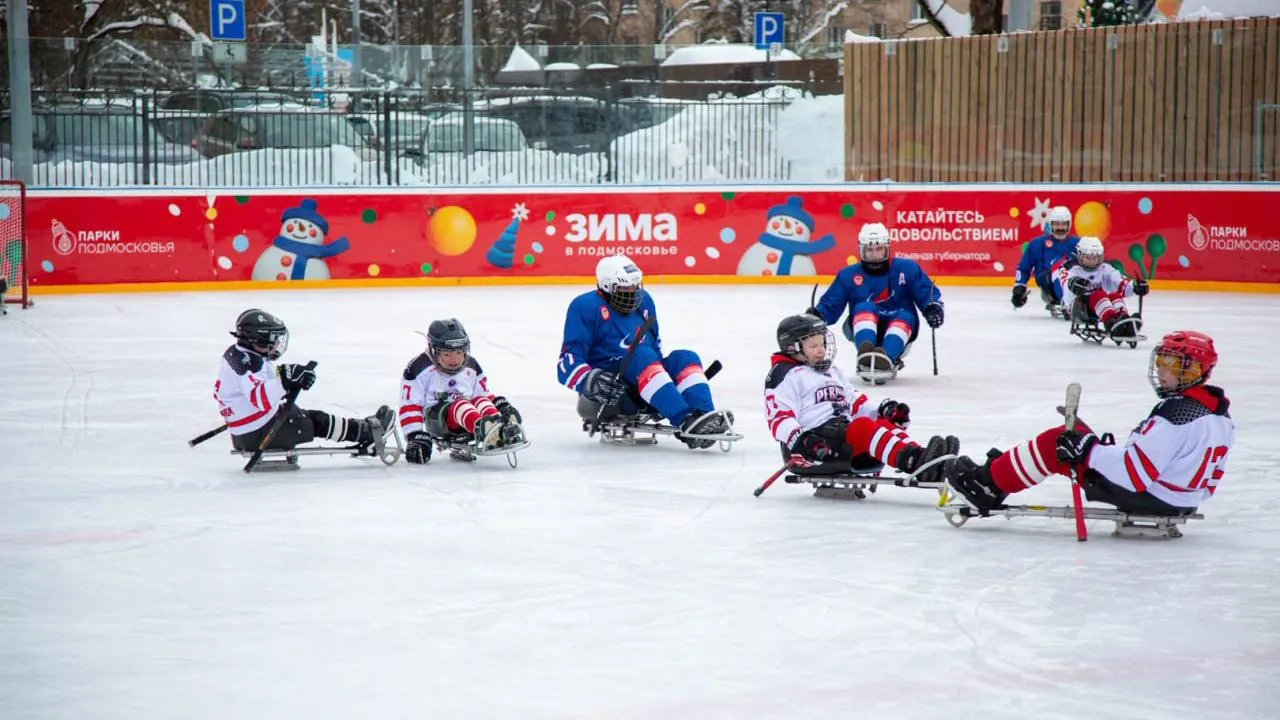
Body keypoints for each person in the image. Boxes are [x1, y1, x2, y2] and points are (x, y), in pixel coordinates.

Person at [944, 330, 1232, 516]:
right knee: (1077, 436)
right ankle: (997, 474)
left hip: (1150, 497)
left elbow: (1134, 474)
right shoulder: (1218, 414)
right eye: (1160, 361)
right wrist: (1090, 444)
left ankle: (986, 486)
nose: (1160, 370)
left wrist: (1089, 450)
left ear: (1193, 369)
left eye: (1171, 364)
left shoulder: (1176, 413)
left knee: (1057, 443)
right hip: (1181, 499)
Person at [558, 254, 733, 449]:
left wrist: (667, 382)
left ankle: (704, 417)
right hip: (614, 393)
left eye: (636, 286)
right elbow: (567, 361)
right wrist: (589, 380)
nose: (633, 293)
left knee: (685, 357)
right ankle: (685, 419)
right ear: (606, 287)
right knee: (643, 355)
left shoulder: (645, 301)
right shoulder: (584, 307)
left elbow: (655, 349)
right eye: (625, 289)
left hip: (643, 380)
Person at [765, 314, 958, 482]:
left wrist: (883, 411)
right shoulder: (784, 375)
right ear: (793, 347)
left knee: (881, 423)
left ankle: (925, 460)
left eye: (822, 343)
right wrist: (803, 440)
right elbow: (779, 418)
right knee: (862, 427)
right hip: (814, 448)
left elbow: (855, 402)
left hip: (843, 435)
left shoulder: (832, 371)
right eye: (813, 346)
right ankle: (914, 463)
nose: (821, 350)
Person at [214, 309, 392, 454]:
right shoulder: (248, 363)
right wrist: (285, 379)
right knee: (317, 421)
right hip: (259, 433)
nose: (277, 344)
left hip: (245, 432)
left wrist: (289, 374)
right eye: (273, 339)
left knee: (308, 416)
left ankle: (361, 430)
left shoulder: (238, 354)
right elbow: (259, 398)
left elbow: (264, 378)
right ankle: (367, 433)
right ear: (258, 339)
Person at [810, 222, 944, 375]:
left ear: (887, 248)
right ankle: (865, 354)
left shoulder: (907, 268)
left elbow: (927, 293)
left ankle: (886, 357)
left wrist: (933, 308)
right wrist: (818, 315)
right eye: (869, 250)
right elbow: (831, 304)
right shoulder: (848, 275)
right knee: (863, 307)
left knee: (904, 315)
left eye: (879, 249)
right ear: (861, 250)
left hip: (902, 324)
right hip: (863, 324)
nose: (874, 255)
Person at [398, 318, 524, 465]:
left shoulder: (471, 365)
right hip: (437, 419)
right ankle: (485, 430)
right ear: (434, 350)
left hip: (467, 416)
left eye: (459, 352)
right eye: (447, 354)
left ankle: (498, 426)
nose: (455, 360)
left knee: (481, 401)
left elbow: (482, 394)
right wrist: (414, 436)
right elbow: (410, 405)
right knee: (461, 404)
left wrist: (500, 405)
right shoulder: (419, 367)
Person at [1063, 236, 1149, 338]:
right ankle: (1111, 323)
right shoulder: (1071, 268)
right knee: (1099, 294)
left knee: (1114, 295)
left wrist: (1134, 286)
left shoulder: (1104, 268)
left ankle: (1123, 320)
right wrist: (1072, 283)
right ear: (1080, 256)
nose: (1091, 261)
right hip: (1079, 308)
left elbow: (1119, 282)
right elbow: (1065, 283)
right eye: (1088, 257)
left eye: (1095, 258)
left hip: (1098, 306)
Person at [1013, 206, 1079, 312]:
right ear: (1051, 225)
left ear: (1069, 225)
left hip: (1075, 283)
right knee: (1060, 265)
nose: (1060, 228)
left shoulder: (1078, 243)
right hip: (1049, 286)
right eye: (1057, 224)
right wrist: (1019, 288)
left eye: (1063, 224)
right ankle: (1066, 302)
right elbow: (1023, 267)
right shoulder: (1037, 243)